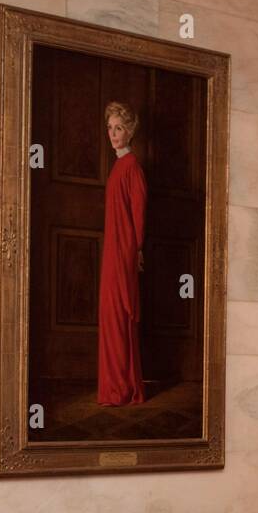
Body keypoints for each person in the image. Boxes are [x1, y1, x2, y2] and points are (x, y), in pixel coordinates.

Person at [97, 101, 147, 406]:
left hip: (123, 251)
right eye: (110, 128)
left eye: (119, 128)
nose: (113, 134)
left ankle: (122, 389)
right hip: (113, 250)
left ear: (130, 132)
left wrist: (135, 250)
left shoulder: (132, 167)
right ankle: (115, 387)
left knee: (118, 315)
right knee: (110, 315)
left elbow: (138, 215)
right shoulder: (118, 166)